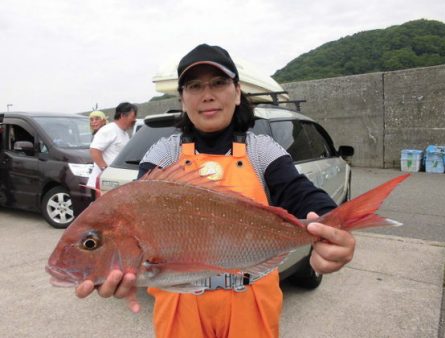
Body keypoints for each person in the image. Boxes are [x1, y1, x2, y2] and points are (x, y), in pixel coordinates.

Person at [76, 44, 355, 338]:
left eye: (219, 83)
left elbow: (302, 194)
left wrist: (332, 227)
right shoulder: (163, 152)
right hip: (180, 306)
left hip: (252, 302)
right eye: (194, 86)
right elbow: (138, 209)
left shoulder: (261, 149)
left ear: (237, 92)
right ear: (182, 99)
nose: (207, 94)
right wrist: (116, 262)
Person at [86, 102, 137, 192]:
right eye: (132, 117)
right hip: (101, 185)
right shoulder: (109, 130)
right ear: (123, 115)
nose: (134, 120)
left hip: (113, 184)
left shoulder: (125, 134)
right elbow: (94, 151)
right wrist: (106, 171)